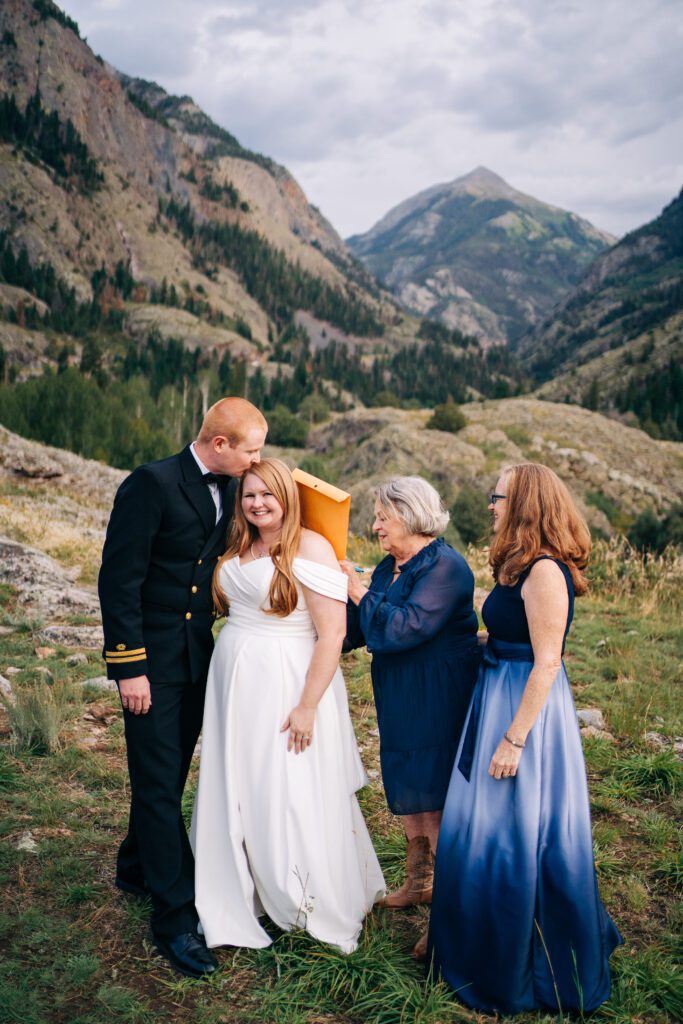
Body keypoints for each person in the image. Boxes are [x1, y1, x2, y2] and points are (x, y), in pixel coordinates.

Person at [426, 463, 622, 1013]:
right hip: (497, 692)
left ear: (527, 502)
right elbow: (520, 634)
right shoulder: (517, 565)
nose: (490, 504)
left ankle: (526, 962)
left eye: (498, 496)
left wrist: (514, 740)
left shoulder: (545, 572)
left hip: (526, 712)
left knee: (519, 828)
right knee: (488, 821)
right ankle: (476, 943)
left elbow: (548, 661)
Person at [98, 397, 267, 979]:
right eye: (252, 449)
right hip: (151, 665)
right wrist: (129, 667)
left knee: (165, 777)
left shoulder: (231, 489)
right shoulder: (151, 484)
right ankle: (175, 919)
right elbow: (119, 579)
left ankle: (134, 866)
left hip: (197, 661)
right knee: (155, 781)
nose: (258, 460)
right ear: (220, 445)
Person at [191, 458, 385, 952]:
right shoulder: (241, 543)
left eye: (267, 496)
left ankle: (299, 891)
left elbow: (333, 633)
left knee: (282, 785)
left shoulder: (311, 547)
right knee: (240, 780)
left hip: (286, 681)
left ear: (287, 498)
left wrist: (306, 706)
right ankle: (241, 883)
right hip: (235, 682)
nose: (257, 504)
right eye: (249, 495)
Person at [342, 477, 481, 910]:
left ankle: (448, 913)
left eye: (383, 517)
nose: (376, 527)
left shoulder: (445, 567)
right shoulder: (389, 566)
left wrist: (357, 592)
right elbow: (361, 627)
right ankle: (420, 881)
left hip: (439, 696)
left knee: (435, 792)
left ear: (409, 515)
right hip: (400, 694)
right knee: (409, 784)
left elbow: (406, 627)